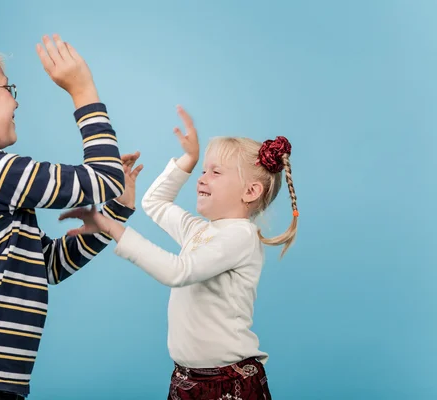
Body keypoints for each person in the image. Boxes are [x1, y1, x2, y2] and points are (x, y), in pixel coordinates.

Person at [0, 33, 142, 399]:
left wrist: (116, 211)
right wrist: (83, 90)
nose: (16, 101)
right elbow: (105, 177)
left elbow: (46, 266)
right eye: (7, 88)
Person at [60, 106, 300, 399]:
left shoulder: (241, 236)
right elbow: (155, 203)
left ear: (250, 192)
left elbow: (178, 271)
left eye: (216, 172)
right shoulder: (199, 230)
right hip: (187, 378)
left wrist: (112, 228)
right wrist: (187, 161)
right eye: (202, 171)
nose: (202, 179)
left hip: (228, 382)